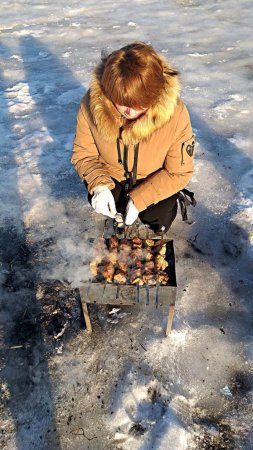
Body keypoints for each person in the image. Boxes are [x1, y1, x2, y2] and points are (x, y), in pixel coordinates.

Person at [71, 42, 196, 234]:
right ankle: (114, 200)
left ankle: (149, 211)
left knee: (159, 218)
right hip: (112, 175)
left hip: (152, 178)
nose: (129, 111)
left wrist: (141, 199)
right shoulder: (91, 106)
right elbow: (83, 154)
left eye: (139, 104)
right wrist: (99, 186)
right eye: (121, 102)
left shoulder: (176, 115)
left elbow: (179, 172)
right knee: (109, 201)